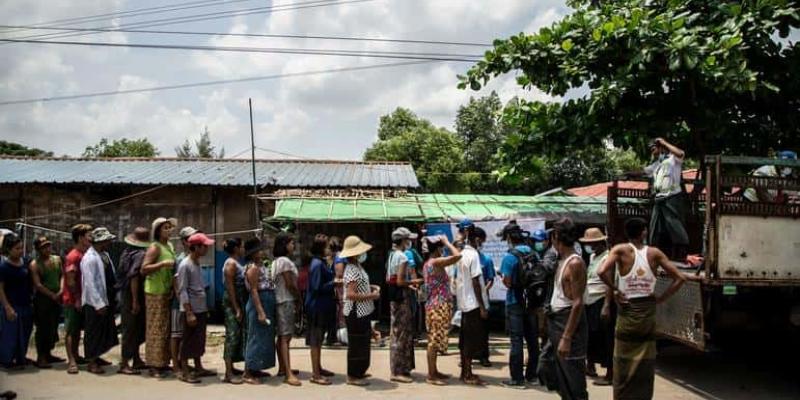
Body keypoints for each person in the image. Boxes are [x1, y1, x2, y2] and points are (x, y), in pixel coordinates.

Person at [598, 218, 686, 400]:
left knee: (622, 360)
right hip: (647, 313)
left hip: (627, 312)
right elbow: (680, 278)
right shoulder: (654, 253)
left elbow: (601, 271)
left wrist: (615, 290)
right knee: (645, 362)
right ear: (644, 232)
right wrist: (662, 298)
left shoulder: (620, 250)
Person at [545, 218, 589, 400]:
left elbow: (577, 303)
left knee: (573, 379)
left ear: (557, 237)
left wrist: (566, 337)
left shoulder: (574, 263)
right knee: (554, 372)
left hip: (568, 323)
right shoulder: (561, 260)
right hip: (557, 321)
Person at [499, 222, 539, 388]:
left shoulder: (509, 257)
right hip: (531, 301)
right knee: (532, 339)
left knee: (516, 340)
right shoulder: (532, 253)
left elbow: (507, 283)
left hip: (515, 301)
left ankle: (517, 379)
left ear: (509, 237)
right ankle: (532, 375)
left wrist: (503, 278)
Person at [340, 235, 380, 386]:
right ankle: (353, 375)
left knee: (363, 342)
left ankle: (360, 371)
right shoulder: (352, 269)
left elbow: (358, 287)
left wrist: (371, 288)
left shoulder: (357, 267)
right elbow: (350, 294)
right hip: (355, 311)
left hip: (363, 311)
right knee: (356, 344)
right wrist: (371, 295)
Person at [454, 219, 489, 386]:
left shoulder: (461, 254)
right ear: (475, 239)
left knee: (464, 338)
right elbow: (476, 282)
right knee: (470, 339)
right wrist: (482, 306)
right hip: (473, 304)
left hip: (464, 303)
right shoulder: (473, 255)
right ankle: (467, 373)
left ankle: (465, 372)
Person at [176, 232, 215, 384]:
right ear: (196, 247)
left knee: (199, 339)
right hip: (191, 309)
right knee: (187, 340)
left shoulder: (196, 262)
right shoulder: (185, 265)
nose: (206, 249)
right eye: (204, 246)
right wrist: (189, 312)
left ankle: (198, 366)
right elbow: (183, 289)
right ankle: (185, 371)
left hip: (200, 308)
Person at [142, 217, 178, 378]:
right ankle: (153, 365)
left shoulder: (169, 246)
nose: (169, 230)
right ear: (157, 231)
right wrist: (162, 265)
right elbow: (144, 269)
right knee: (155, 328)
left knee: (165, 328)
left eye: (170, 227)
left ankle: (163, 362)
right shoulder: (155, 248)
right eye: (165, 228)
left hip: (165, 290)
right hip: (154, 291)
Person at [422, 235, 460, 386]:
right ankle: (431, 375)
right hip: (438, 305)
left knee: (436, 339)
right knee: (433, 341)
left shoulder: (428, 263)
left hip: (436, 305)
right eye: (441, 248)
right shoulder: (435, 262)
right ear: (437, 248)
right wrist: (447, 242)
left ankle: (434, 371)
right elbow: (458, 256)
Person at [81, 227, 119, 375]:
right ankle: (91, 361)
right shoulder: (89, 258)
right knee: (93, 332)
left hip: (107, 297)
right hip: (94, 301)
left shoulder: (104, 255)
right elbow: (90, 284)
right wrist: (98, 303)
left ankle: (97, 356)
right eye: (106, 240)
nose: (108, 242)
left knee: (104, 330)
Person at [578, 227, 614, 386]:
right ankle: (590, 366)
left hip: (600, 300)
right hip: (589, 301)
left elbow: (609, 283)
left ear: (601, 242)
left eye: (593, 243)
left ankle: (610, 373)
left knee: (606, 338)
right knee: (591, 337)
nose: (591, 246)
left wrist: (606, 305)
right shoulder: (593, 257)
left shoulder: (608, 258)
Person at [386, 227, 422, 383]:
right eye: (407, 239)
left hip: (396, 298)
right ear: (402, 241)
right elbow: (400, 281)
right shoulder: (402, 257)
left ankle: (398, 368)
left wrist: (409, 285)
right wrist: (415, 281)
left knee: (396, 333)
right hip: (402, 299)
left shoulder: (392, 255)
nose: (410, 242)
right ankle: (398, 371)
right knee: (402, 335)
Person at [643, 137, 688, 259]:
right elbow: (644, 171)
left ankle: (681, 252)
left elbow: (680, 153)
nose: (652, 151)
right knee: (654, 226)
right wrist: (627, 173)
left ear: (661, 148)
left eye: (654, 148)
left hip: (672, 197)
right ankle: (652, 252)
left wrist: (664, 143)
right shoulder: (657, 165)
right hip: (659, 198)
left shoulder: (674, 160)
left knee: (674, 224)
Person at [116, 227, 150, 375]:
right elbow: (134, 277)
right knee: (130, 329)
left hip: (125, 293)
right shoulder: (140, 255)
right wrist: (135, 300)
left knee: (135, 327)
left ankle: (136, 359)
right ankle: (124, 362)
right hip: (133, 295)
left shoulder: (126, 253)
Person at [242, 237, 276, 384]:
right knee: (255, 338)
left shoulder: (260, 265)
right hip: (258, 303)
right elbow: (254, 291)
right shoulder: (253, 268)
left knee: (263, 337)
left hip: (266, 301)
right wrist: (261, 311)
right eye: (259, 250)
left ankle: (256, 368)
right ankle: (248, 372)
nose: (262, 252)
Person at [306, 234, 337, 385]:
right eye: (327, 247)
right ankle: (315, 374)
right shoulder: (317, 264)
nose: (329, 250)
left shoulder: (321, 263)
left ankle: (318, 368)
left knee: (319, 339)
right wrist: (334, 282)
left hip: (323, 305)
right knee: (316, 340)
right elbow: (317, 287)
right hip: (317, 306)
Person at [271, 231, 301, 386]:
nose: (293, 245)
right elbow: (290, 284)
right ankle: (287, 373)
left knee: (282, 336)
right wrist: (298, 298)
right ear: (284, 245)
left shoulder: (277, 261)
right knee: (285, 337)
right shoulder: (284, 262)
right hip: (286, 300)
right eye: (291, 243)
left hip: (280, 300)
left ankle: (283, 367)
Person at [29, 236, 64, 369]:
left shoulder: (57, 260)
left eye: (48, 246)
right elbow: (38, 284)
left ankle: (48, 353)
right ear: (38, 249)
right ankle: (41, 357)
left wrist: (61, 290)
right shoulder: (34, 264)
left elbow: (62, 276)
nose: (47, 249)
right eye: (43, 247)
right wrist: (51, 295)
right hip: (43, 300)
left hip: (56, 298)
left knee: (53, 327)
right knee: (42, 328)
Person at [0, 234, 33, 370]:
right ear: (8, 249)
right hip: (12, 305)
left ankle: (21, 358)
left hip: (25, 303)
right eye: (17, 248)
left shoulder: (25, 262)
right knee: (10, 335)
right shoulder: (3, 266)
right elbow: (0, 289)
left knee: (25, 333)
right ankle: (6, 360)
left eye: (21, 248)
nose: (20, 251)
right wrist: (7, 307)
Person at [63, 223, 92, 374]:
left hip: (82, 297)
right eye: (88, 235)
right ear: (81, 238)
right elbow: (71, 280)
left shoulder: (84, 254)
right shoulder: (73, 256)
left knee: (77, 331)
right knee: (71, 330)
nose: (91, 238)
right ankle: (71, 361)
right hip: (73, 299)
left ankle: (76, 354)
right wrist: (77, 298)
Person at [169, 226, 198, 376]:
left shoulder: (194, 259)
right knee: (177, 335)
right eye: (190, 239)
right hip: (179, 304)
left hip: (191, 303)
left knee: (188, 335)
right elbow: (177, 285)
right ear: (184, 242)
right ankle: (176, 366)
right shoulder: (181, 260)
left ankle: (191, 363)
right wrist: (184, 305)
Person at [222, 237, 246, 384]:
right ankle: (228, 373)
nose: (244, 249)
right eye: (242, 246)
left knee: (237, 334)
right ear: (236, 248)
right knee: (232, 335)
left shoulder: (237, 263)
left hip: (238, 301)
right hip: (232, 302)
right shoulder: (231, 264)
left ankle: (232, 367)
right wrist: (236, 307)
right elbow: (230, 288)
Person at [473, 227, 494, 367]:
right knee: (469, 330)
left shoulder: (486, 260)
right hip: (469, 301)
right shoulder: (466, 257)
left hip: (483, 300)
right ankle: (468, 356)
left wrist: (483, 290)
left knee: (483, 329)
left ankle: (483, 356)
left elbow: (490, 279)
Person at [326, 236, 346, 346]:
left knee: (341, 313)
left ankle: (342, 336)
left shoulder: (339, 258)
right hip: (341, 289)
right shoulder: (340, 256)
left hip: (341, 289)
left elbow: (339, 275)